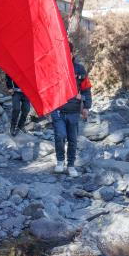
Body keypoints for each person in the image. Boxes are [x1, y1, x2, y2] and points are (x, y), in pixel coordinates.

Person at [50, 42, 91, 178]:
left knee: (73, 140)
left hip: (74, 111)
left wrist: (86, 106)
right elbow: (47, 89)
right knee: (60, 136)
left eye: (68, 53)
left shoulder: (80, 69)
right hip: (58, 110)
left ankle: (71, 165)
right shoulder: (54, 68)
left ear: (72, 54)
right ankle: (60, 161)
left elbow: (86, 89)